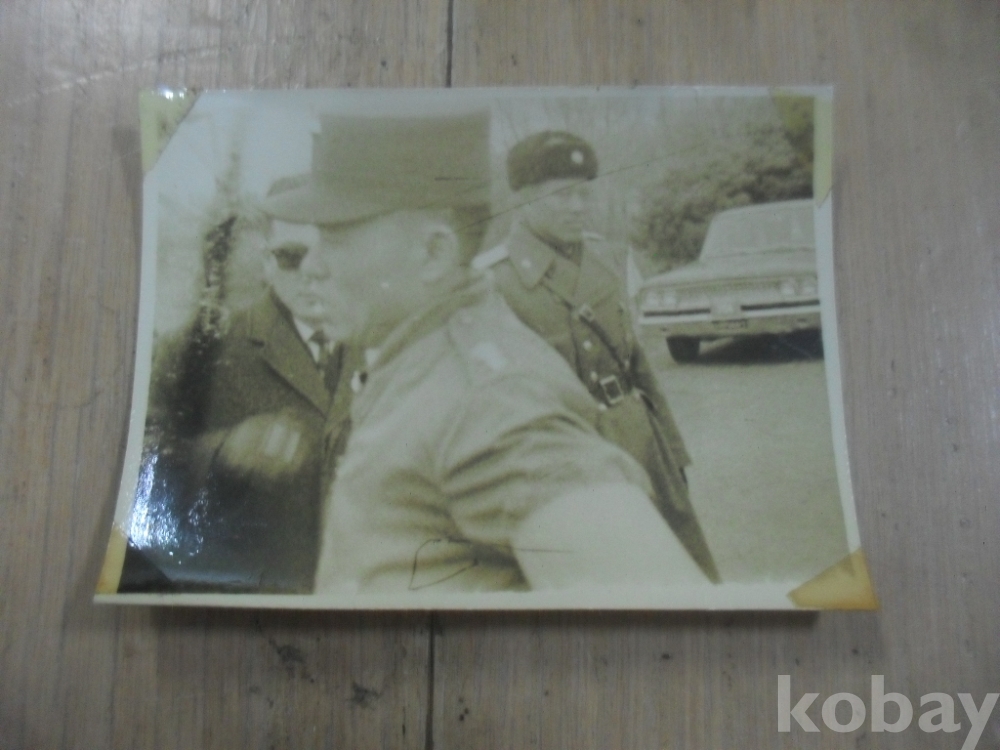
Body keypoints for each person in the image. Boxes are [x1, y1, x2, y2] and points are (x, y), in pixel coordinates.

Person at [261, 109, 709, 594]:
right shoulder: (416, 357)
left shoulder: (490, 403)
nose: (312, 267)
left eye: (335, 238)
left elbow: (661, 610)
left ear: (434, 253)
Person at [473, 130, 720, 582]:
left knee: (684, 579)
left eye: (584, 193)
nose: (577, 206)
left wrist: (672, 454)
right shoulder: (494, 284)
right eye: (561, 195)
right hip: (568, 464)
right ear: (522, 199)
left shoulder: (608, 257)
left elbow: (637, 364)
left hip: (640, 443)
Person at [118, 182, 359, 593]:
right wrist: (223, 451)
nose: (313, 272)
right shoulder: (201, 348)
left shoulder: (383, 345)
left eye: (331, 254)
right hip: (251, 596)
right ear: (266, 262)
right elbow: (139, 479)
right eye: (291, 256)